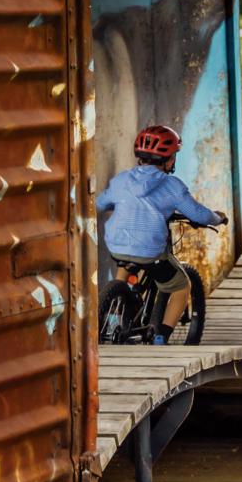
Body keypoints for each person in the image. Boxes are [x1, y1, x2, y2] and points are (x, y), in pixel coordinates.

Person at [96, 124, 226, 343]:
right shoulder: (172, 185)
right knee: (182, 286)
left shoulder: (122, 180)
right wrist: (218, 217)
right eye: (174, 155)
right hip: (149, 252)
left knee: (125, 267)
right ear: (168, 159)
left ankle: (113, 320)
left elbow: (100, 203)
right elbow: (199, 214)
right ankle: (160, 338)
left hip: (117, 247)